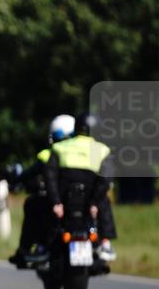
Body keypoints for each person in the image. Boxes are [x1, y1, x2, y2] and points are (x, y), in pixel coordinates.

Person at [45, 112, 117, 262]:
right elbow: (105, 180)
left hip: (64, 199)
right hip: (89, 201)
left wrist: (56, 202)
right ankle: (105, 243)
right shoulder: (102, 150)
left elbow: (50, 176)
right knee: (105, 201)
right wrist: (94, 203)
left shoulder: (59, 148)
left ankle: (42, 245)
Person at [9, 114, 75, 267]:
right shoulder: (87, 154)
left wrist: (16, 180)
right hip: (82, 203)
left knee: (32, 204)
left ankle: (27, 248)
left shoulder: (49, 154)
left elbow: (29, 174)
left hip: (56, 203)